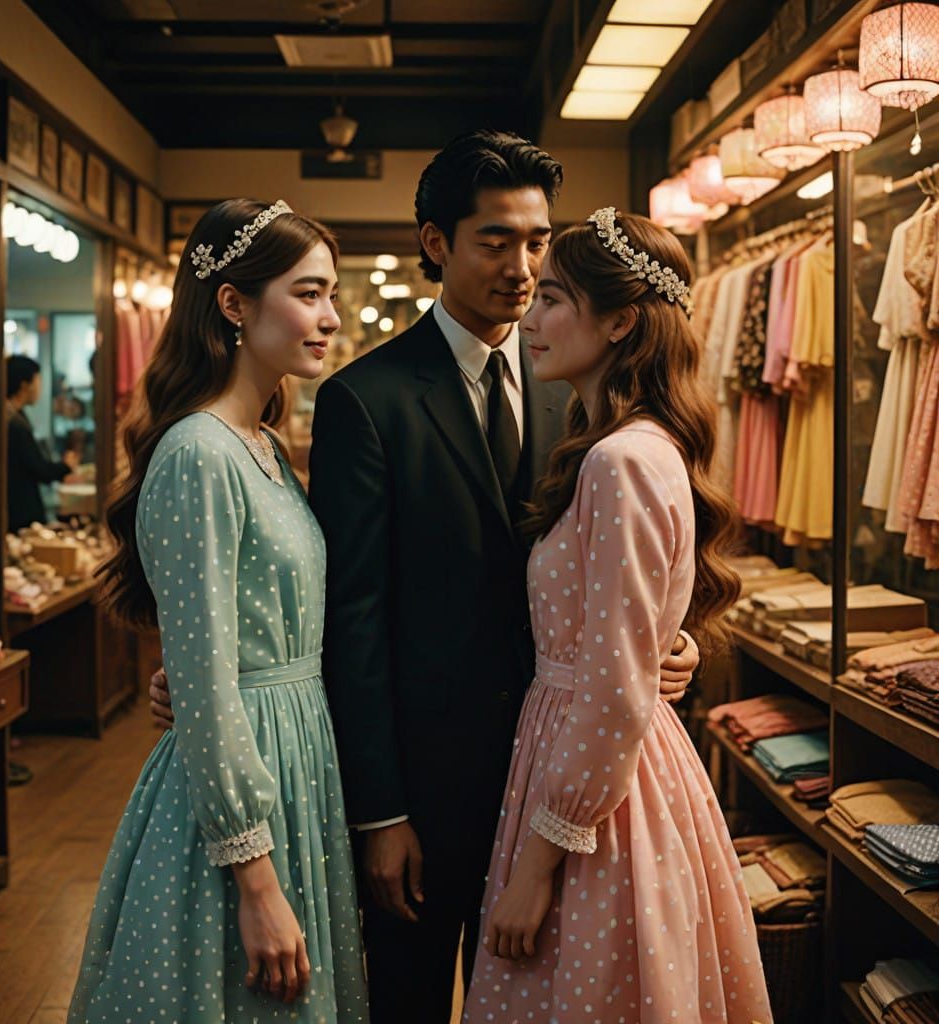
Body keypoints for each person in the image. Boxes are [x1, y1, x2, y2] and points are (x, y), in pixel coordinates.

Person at [148, 132, 699, 1022]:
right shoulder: (365, 396)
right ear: (437, 243)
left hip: (565, 777)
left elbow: (633, 567)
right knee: (401, 997)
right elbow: (349, 613)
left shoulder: (578, 381)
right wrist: (381, 809)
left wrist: (672, 642)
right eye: (494, 241)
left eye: (536, 243)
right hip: (422, 784)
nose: (521, 269)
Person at [462, 209, 773, 1023]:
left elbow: (611, 687)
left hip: (598, 782)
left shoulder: (622, 458)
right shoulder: (623, 444)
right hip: (597, 759)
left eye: (555, 297)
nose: (531, 315)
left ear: (621, 319)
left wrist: (535, 868)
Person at [69, 199, 368, 1023]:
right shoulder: (200, 452)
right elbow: (205, 675)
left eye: (331, 294)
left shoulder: (262, 442)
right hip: (244, 781)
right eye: (308, 294)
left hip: (294, 753)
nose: (330, 317)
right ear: (234, 304)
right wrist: (256, 879)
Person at [5, 354, 79, 531]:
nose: (40, 388)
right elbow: (38, 468)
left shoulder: (15, 416)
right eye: (38, 381)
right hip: (20, 511)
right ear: (25, 385)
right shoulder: (14, 422)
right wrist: (65, 466)